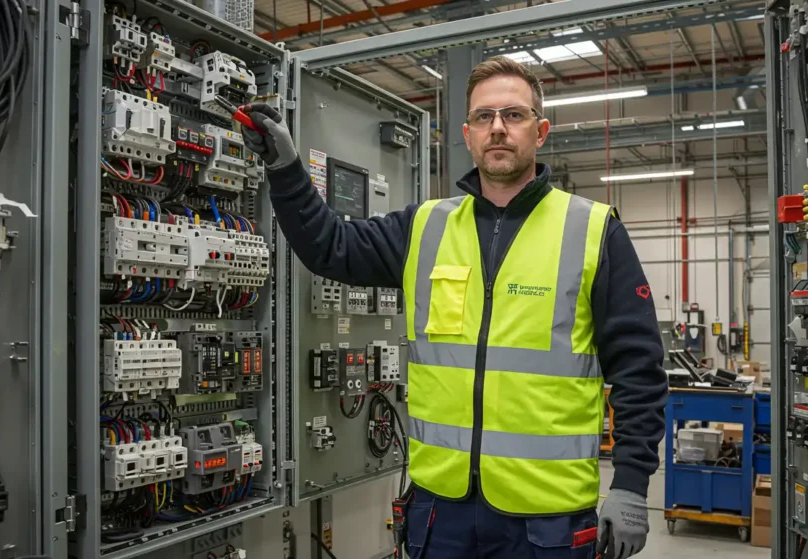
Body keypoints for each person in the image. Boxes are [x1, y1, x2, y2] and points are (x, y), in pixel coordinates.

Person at [243, 56, 668, 559]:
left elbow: (639, 370)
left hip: (547, 517)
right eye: (485, 118)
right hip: (441, 511)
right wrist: (286, 170)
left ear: (541, 130)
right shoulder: (425, 227)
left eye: (514, 115)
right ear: (467, 135)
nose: (498, 129)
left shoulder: (593, 230)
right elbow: (328, 247)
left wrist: (631, 484)